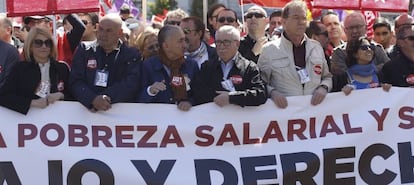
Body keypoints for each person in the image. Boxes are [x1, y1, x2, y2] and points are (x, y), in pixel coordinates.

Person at [257, 0, 332, 109]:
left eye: (304, 18)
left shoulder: (316, 47)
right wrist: (272, 93)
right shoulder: (269, 50)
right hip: (284, 115)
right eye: (296, 17)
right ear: (284, 21)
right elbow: (260, 83)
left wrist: (324, 87)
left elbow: (327, 77)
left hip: (314, 115)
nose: (301, 22)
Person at [70, 13, 141, 112]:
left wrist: (105, 98)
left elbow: (131, 83)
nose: (103, 34)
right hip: (85, 115)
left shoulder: (131, 55)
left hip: (119, 116)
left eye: (109, 31)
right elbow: (75, 81)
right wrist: (92, 99)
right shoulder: (84, 50)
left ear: (120, 33)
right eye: (101, 29)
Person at [0, 27, 70, 114]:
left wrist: (61, 95)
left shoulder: (62, 68)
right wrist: (32, 103)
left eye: (48, 43)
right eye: (38, 43)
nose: (44, 46)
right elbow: (4, 96)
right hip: (28, 122)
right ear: (30, 46)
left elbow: (75, 95)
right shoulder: (20, 69)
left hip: (60, 120)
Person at [193, 25, 267, 107]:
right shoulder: (207, 67)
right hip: (213, 118)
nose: (221, 46)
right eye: (218, 42)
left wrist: (232, 97)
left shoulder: (249, 68)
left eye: (226, 42)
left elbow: (260, 94)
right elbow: (197, 92)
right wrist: (217, 96)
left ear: (237, 43)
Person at [137, 25, 199, 111]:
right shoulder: (148, 66)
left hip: (184, 121)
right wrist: (150, 91)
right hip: (157, 121)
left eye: (185, 40)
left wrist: (189, 102)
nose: (185, 45)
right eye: (180, 41)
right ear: (166, 45)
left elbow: (199, 95)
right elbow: (137, 98)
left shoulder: (191, 65)